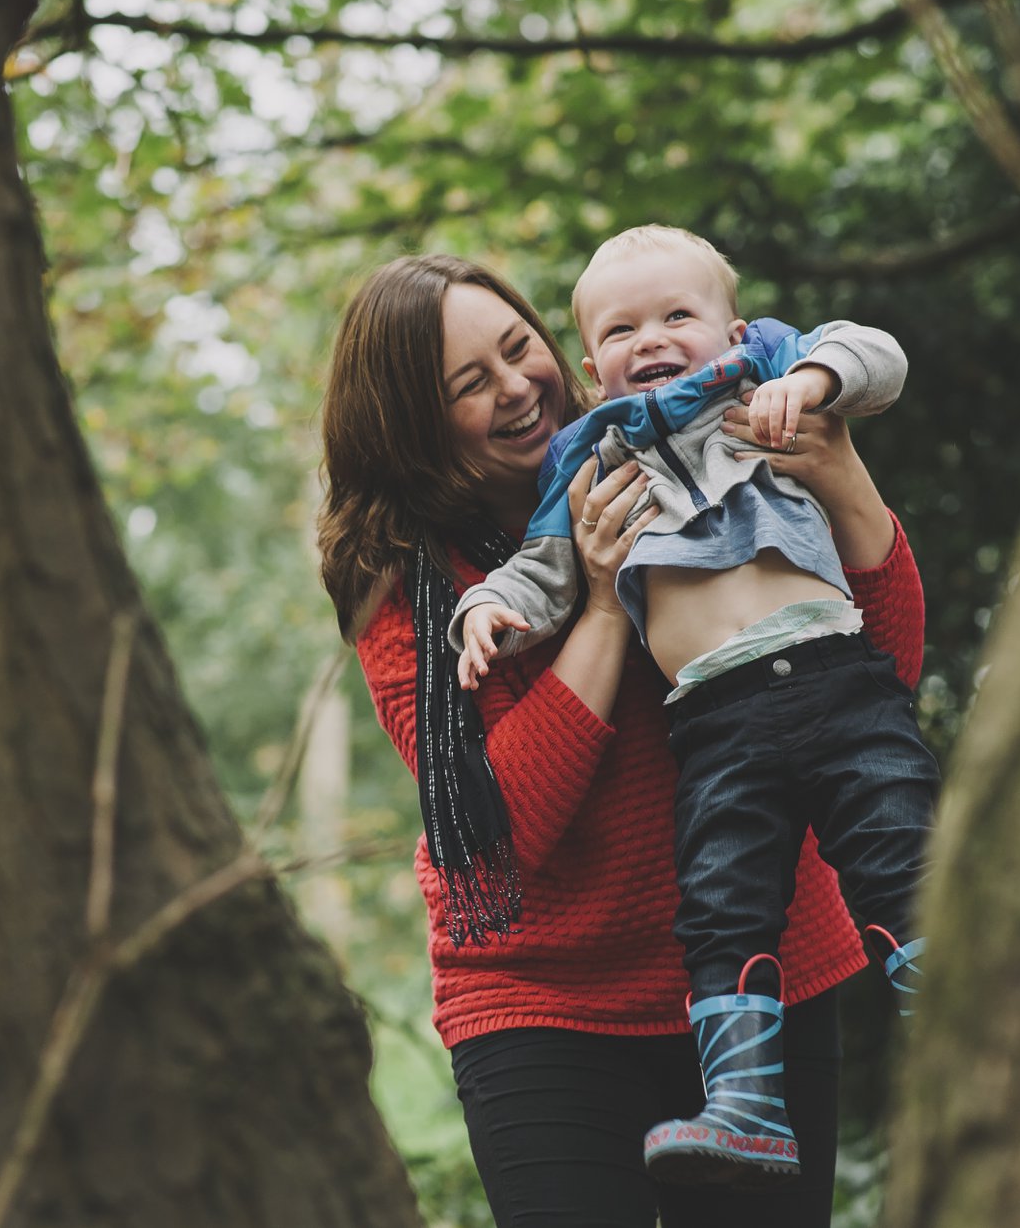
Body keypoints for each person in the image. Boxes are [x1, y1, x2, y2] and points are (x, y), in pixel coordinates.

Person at [318, 251, 926, 1227]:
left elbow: (873, 678)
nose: (517, 386)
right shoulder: (409, 588)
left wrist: (844, 478)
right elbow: (508, 827)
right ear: (415, 428)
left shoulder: (692, 434)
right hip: (545, 1002)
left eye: (518, 348)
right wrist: (602, 605)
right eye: (470, 384)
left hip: (760, 961)